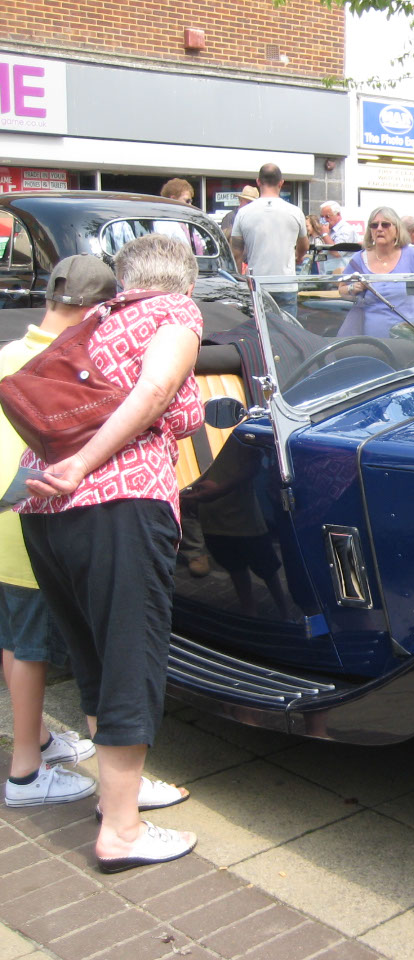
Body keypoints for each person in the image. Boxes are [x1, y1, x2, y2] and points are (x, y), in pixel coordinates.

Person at [18, 233, 202, 872]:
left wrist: (64, 474)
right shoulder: (176, 315)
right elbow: (153, 393)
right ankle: (120, 832)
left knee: (95, 657)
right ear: (187, 279)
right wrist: (83, 465)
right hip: (118, 505)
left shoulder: (99, 319)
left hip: (43, 514)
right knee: (132, 657)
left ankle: (116, 797)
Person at [3, 256, 114, 809]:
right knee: (30, 647)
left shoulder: (8, 355)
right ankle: (25, 771)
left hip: (0, 524)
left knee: (13, 639)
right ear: (95, 311)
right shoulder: (68, 367)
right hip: (29, 523)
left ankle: (39, 738)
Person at [337, 206, 414, 337]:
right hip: (374, 342)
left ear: (397, 229)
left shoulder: (413, 257)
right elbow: (341, 289)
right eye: (374, 225)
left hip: (412, 338)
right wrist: (353, 288)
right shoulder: (359, 259)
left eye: (385, 224)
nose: (379, 229)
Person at [231, 163, 307, 317]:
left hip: (257, 284)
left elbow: (236, 253)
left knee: (259, 335)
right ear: (281, 182)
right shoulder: (295, 212)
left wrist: (239, 282)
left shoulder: (243, 213)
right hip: (286, 284)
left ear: (258, 182)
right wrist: (298, 257)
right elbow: (304, 245)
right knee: (287, 334)